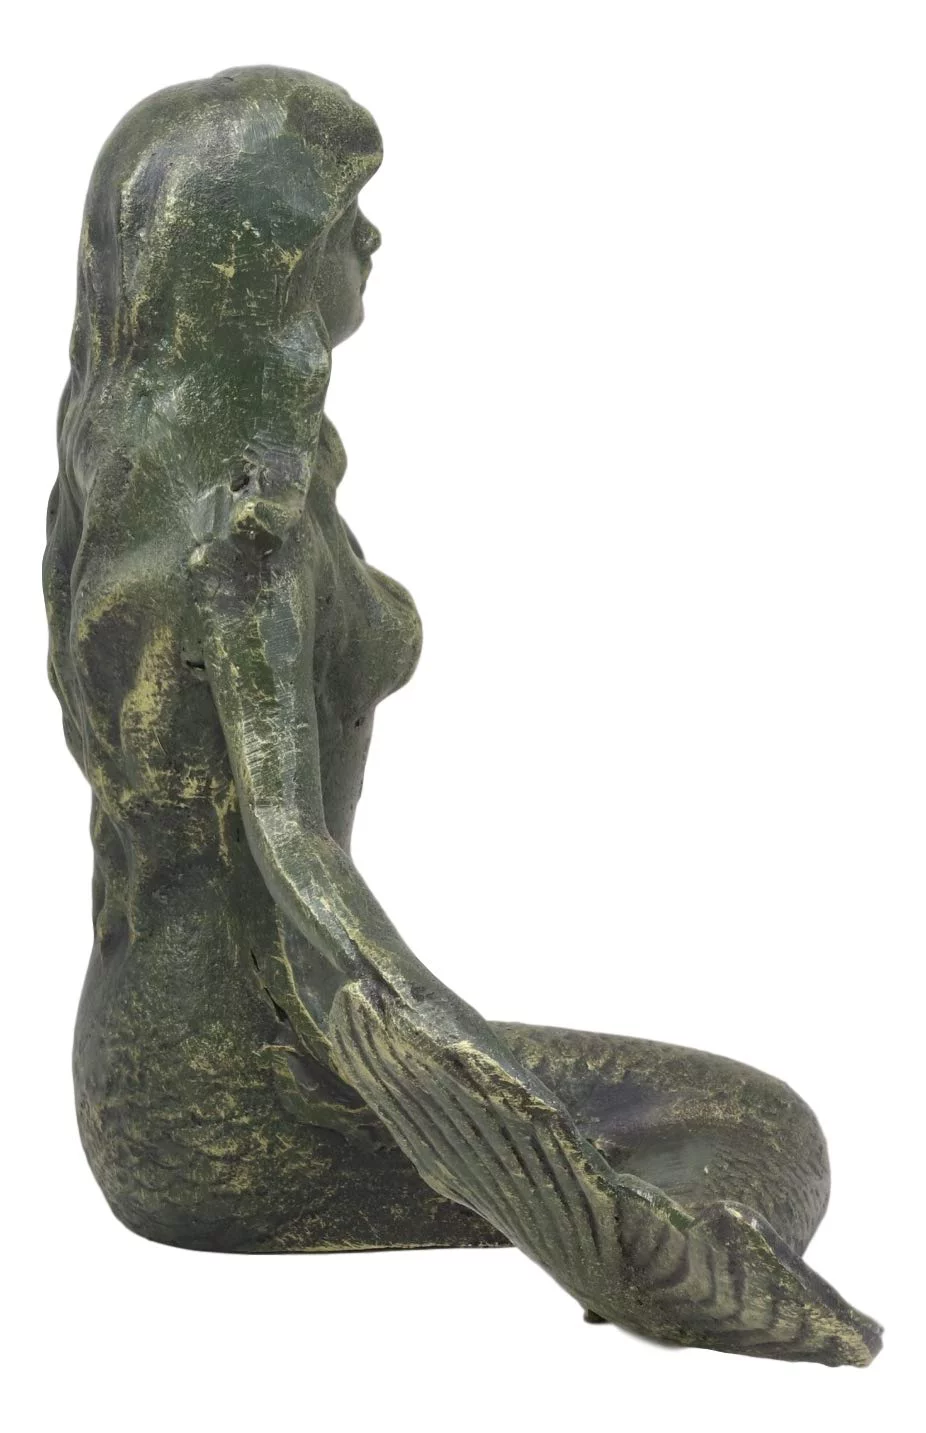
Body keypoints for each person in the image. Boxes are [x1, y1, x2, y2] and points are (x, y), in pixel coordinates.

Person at [44, 65, 879, 1363]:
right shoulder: (235, 529)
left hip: (169, 1063)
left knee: (724, 1127)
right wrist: (466, 1088)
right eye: (342, 217)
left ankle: (668, 1242)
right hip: (246, 1095)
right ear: (266, 262)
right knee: (752, 1127)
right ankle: (666, 1256)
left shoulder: (164, 475)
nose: (370, 240)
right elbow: (289, 852)